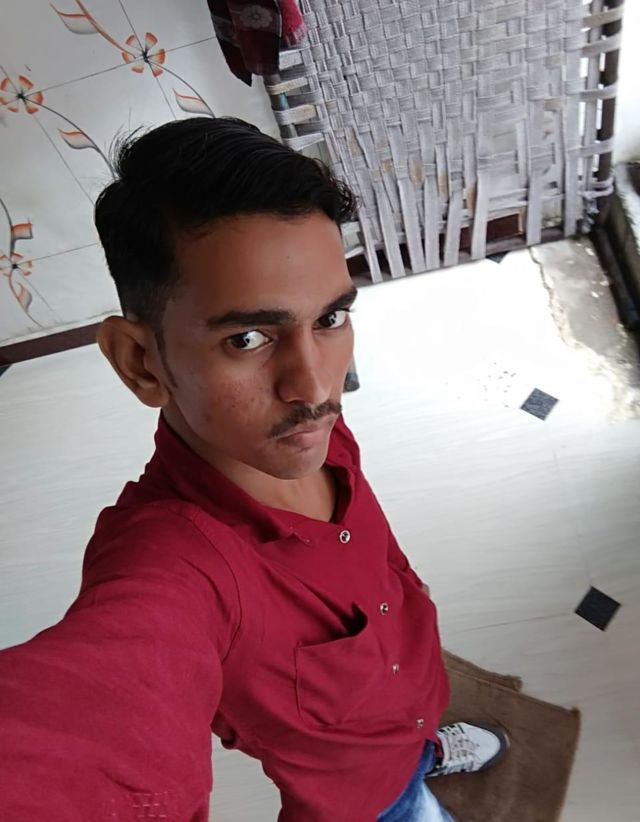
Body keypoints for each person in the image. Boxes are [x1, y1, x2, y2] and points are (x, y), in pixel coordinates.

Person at [0, 117, 508, 821]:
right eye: (247, 338)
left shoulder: (307, 430)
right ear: (141, 362)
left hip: (411, 702)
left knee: (411, 724)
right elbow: (84, 726)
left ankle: (425, 749)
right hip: (363, 801)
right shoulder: (175, 567)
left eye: (330, 319)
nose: (316, 385)